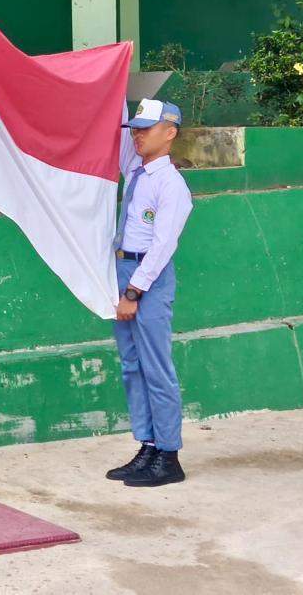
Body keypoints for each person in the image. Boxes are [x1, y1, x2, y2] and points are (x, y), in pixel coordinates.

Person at [104, 98, 194, 489]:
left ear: (170, 132)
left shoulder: (170, 184)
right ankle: (148, 444)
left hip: (147, 278)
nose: (138, 135)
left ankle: (169, 455)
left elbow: (163, 246)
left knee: (156, 367)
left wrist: (134, 291)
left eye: (146, 128)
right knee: (131, 365)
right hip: (124, 268)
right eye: (135, 128)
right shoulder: (136, 171)